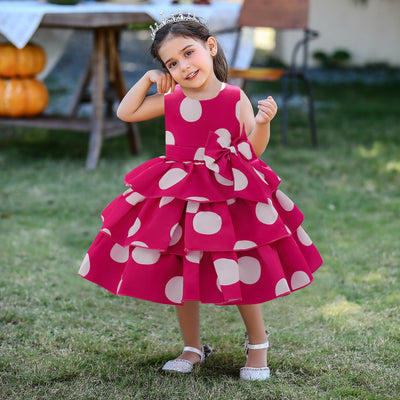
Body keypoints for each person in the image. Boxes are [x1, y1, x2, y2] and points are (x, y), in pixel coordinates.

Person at [79, 12, 323, 381]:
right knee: (181, 266)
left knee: (238, 263)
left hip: (227, 191)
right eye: (171, 63)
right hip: (179, 192)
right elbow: (125, 112)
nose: (183, 66)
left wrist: (263, 124)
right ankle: (192, 346)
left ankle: (257, 344)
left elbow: (251, 149)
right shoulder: (172, 98)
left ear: (210, 47)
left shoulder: (233, 97)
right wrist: (148, 78)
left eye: (188, 53)